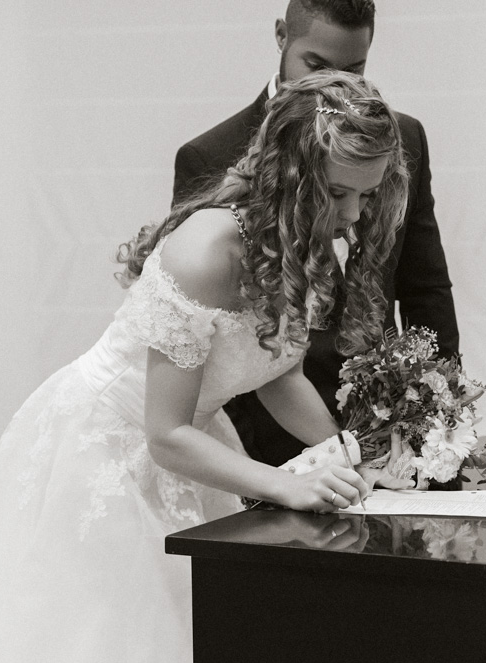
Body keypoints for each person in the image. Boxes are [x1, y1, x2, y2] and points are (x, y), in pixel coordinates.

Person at [0, 71, 411, 663]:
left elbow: (279, 373)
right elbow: (165, 434)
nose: (353, 215)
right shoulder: (207, 252)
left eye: (367, 197)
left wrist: (350, 456)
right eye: (340, 193)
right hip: (110, 447)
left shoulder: (299, 239)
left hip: (195, 443)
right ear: (294, 177)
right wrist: (285, 484)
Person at [174, 0, 459, 468]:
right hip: (260, 440)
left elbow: (425, 284)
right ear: (282, 36)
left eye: (355, 68)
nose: (336, 84)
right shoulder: (209, 159)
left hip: (370, 411)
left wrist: (437, 409)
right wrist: (279, 472)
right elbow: (218, 347)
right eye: (318, 65)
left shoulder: (398, 138)